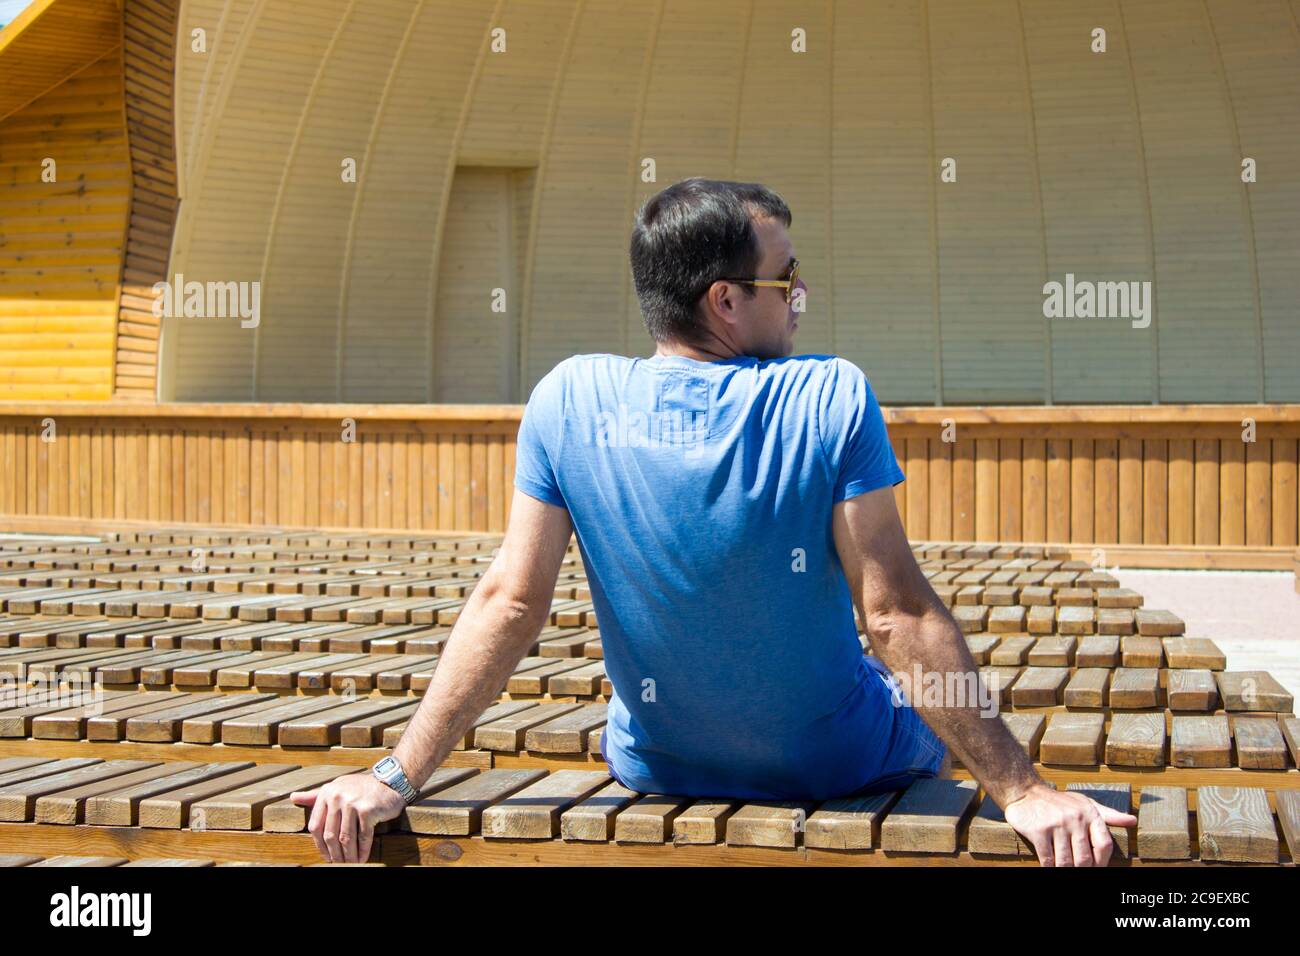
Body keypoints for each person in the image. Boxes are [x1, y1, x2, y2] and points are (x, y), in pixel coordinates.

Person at [292, 178, 1135, 865]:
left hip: (657, 767)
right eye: (787, 277)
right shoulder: (828, 393)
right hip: (834, 766)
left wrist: (395, 776)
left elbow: (509, 603)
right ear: (725, 300)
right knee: (925, 705)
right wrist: (1023, 790)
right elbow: (893, 615)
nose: (802, 296)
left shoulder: (565, 398)